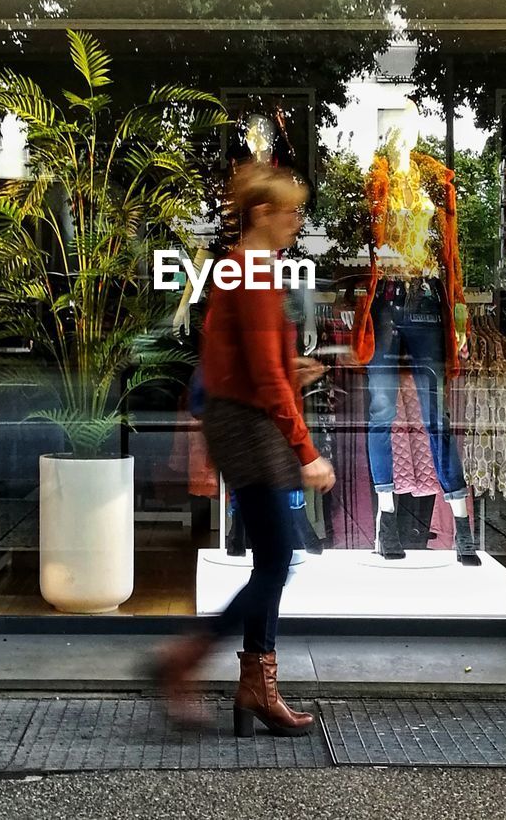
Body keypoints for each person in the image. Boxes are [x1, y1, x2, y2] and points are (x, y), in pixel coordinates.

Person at [154, 162, 335, 736]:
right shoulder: (253, 272)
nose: (296, 223)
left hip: (244, 419)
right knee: (278, 558)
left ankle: (256, 684)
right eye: (291, 212)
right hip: (253, 427)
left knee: (275, 559)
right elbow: (261, 380)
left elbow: (249, 363)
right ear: (262, 213)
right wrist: (307, 450)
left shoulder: (241, 270)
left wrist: (290, 369)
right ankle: (186, 663)